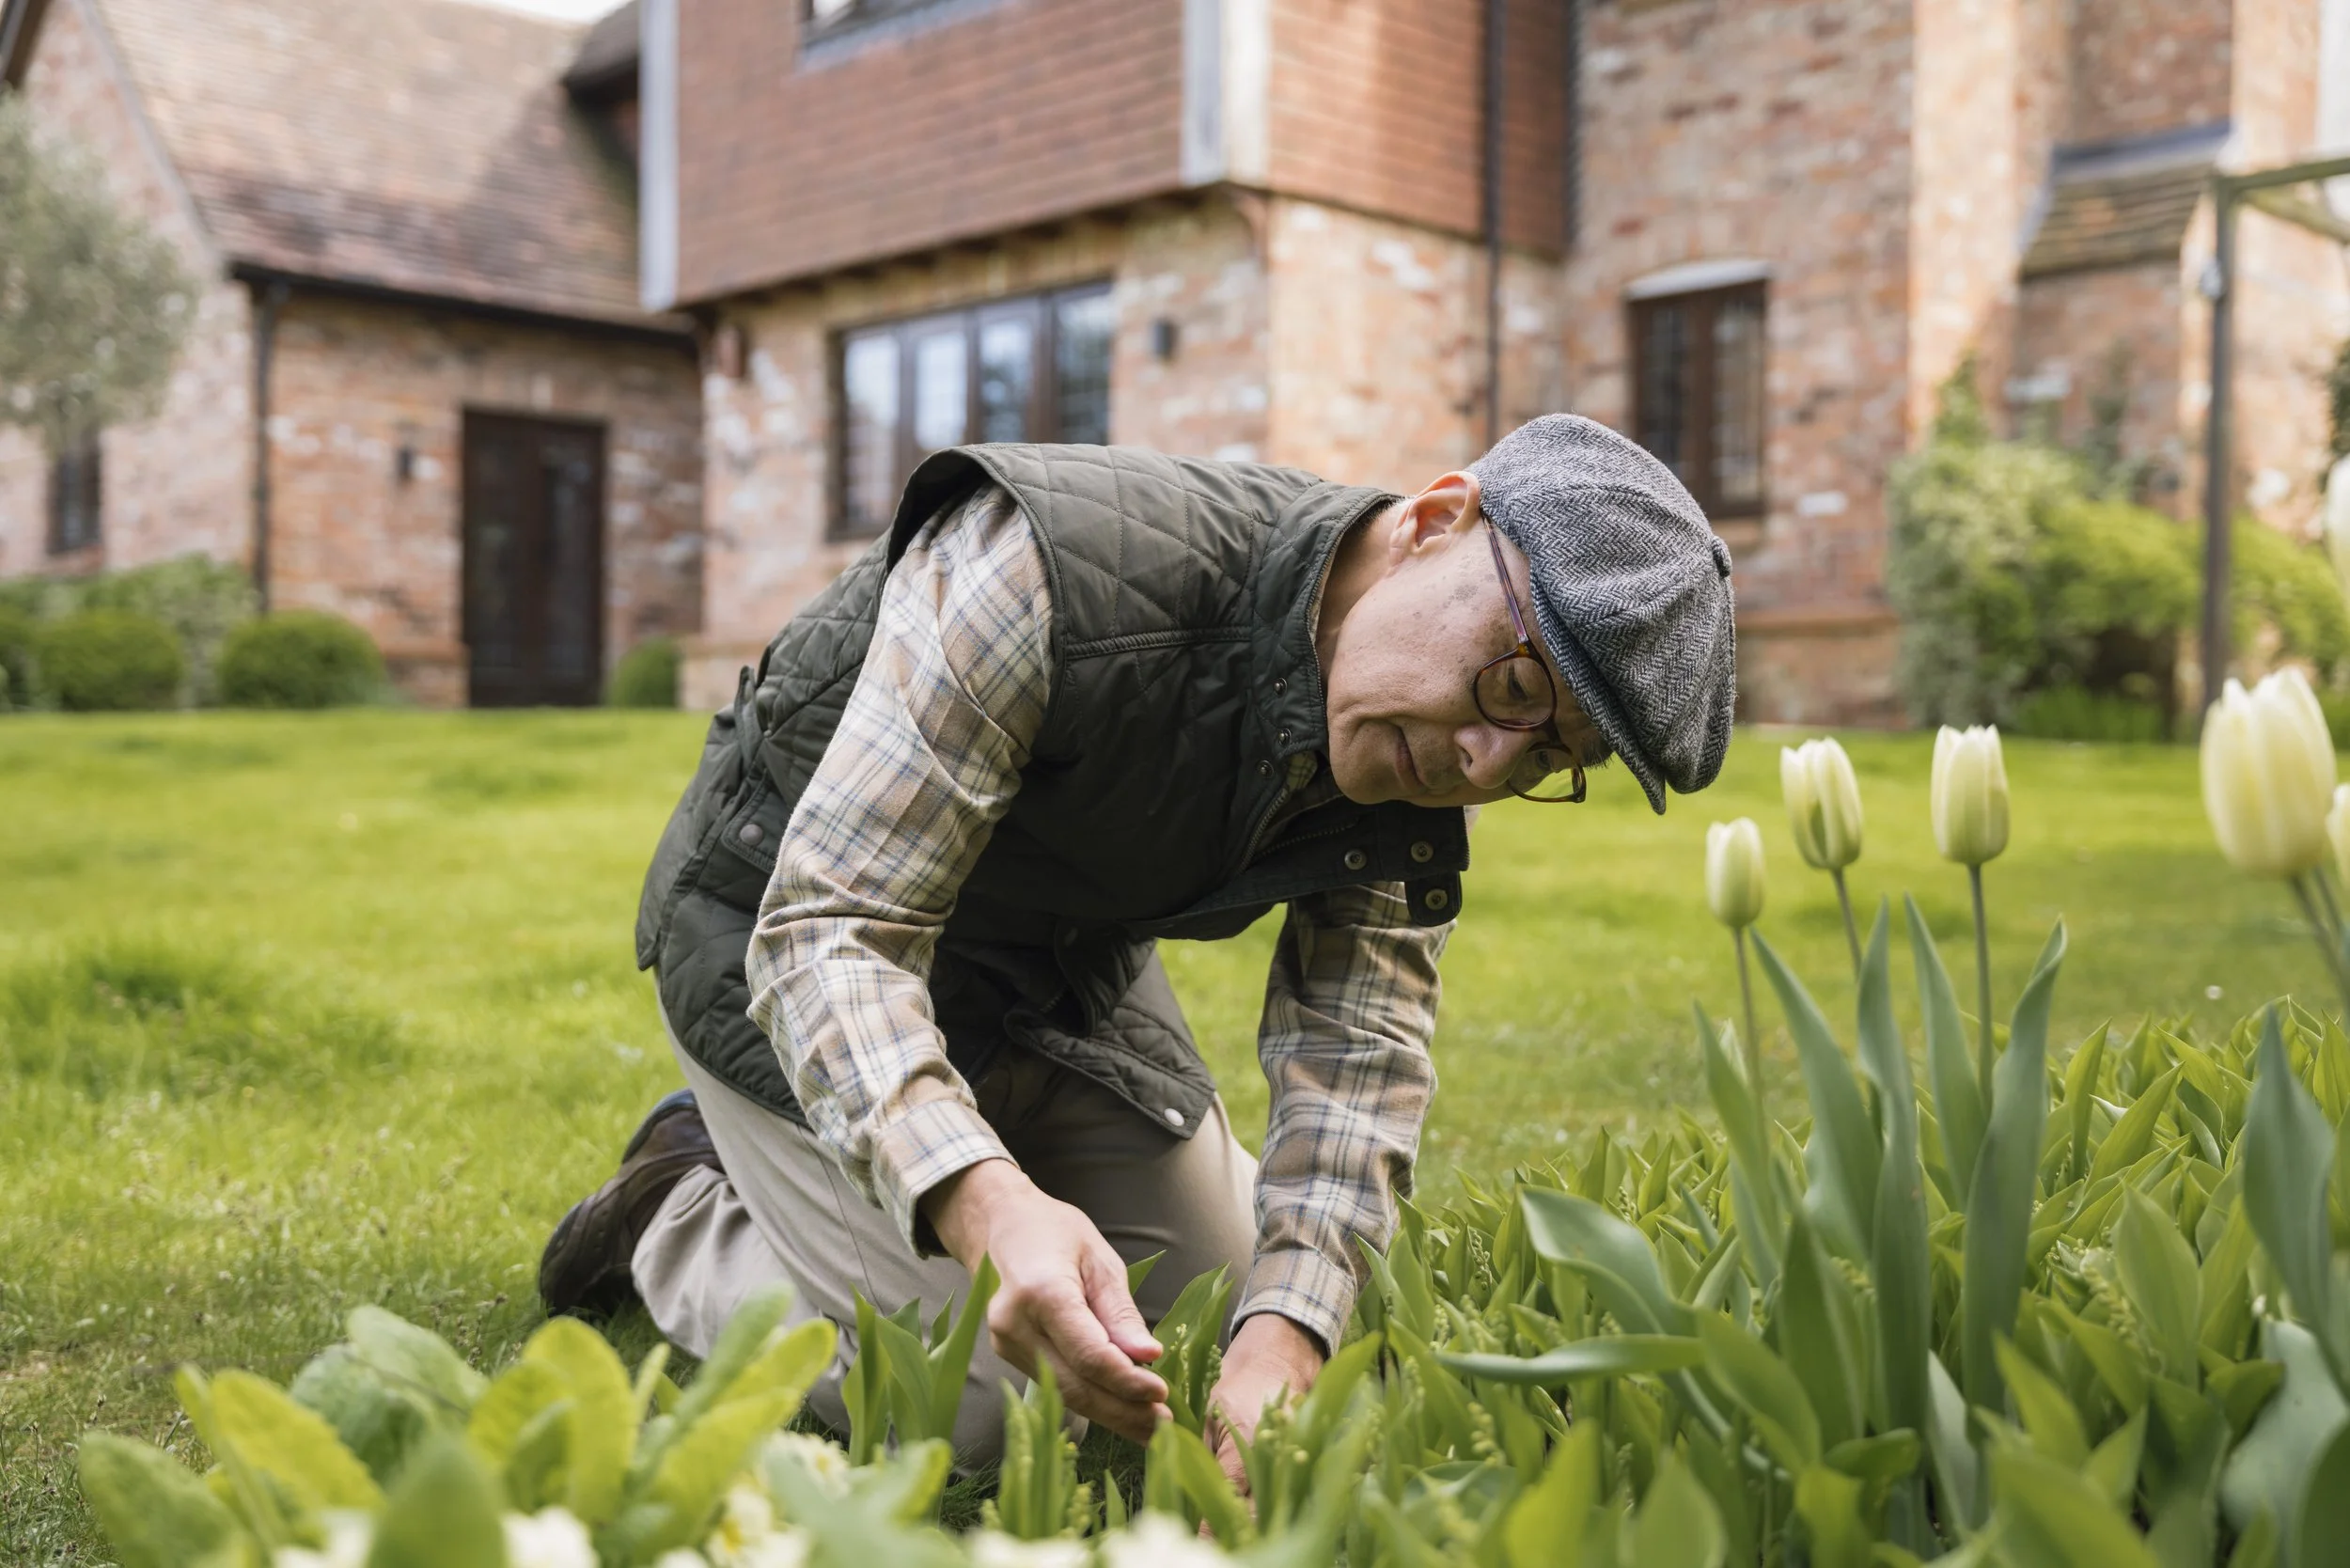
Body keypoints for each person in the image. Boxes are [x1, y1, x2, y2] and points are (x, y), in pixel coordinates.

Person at [539, 414, 1737, 1476]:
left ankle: (981, 1176)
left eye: (1546, 760)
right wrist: (989, 1206)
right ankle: (679, 1207)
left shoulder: (1410, 750)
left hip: (1053, 976)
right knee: (983, 1405)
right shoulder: (1039, 570)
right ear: (1434, 520)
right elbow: (831, 936)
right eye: (1516, 682)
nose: (1486, 764)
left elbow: (1360, 1057)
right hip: (781, 943)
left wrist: (1287, 1341)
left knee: (1219, 1322)